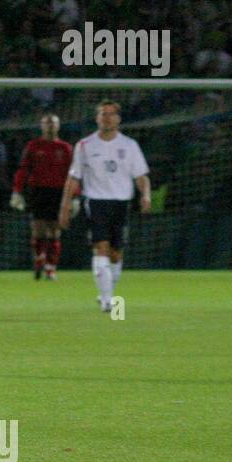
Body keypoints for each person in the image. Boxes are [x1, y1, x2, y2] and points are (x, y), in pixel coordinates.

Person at [59, 100, 151, 311]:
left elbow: (141, 176)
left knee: (116, 254)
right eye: (103, 114)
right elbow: (73, 179)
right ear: (97, 118)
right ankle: (107, 300)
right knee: (100, 247)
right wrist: (64, 207)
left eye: (111, 114)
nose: (107, 117)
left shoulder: (129, 146)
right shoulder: (84, 145)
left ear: (118, 119)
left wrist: (145, 195)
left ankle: (108, 292)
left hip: (122, 203)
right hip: (96, 202)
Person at [10, 113, 73, 279]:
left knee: (54, 231)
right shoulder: (33, 146)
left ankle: (50, 268)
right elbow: (23, 169)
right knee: (38, 228)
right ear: (42, 126)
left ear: (58, 126)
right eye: (47, 123)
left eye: (53, 123)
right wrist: (17, 191)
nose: (50, 126)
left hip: (59, 192)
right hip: (38, 190)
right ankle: (39, 260)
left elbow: (72, 174)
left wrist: (75, 196)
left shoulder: (65, 148)